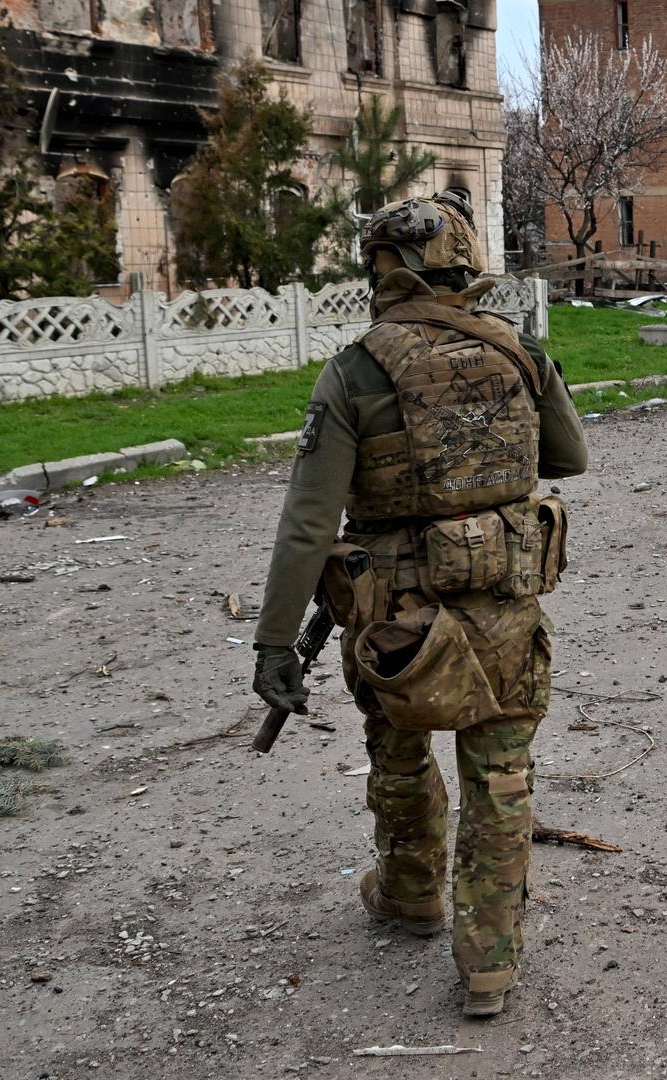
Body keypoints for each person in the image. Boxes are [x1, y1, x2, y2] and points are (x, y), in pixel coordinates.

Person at [250, 192, 588, 1017]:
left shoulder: (356, 369)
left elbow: (309, 521)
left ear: (390, 267)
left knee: (398, 756)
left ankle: (409, 894)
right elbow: (569, 457)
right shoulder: (518, 350)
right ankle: (489, 965)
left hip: (396, 616)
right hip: (505, 603)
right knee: (500, 775)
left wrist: (273, 644)